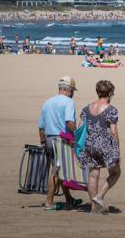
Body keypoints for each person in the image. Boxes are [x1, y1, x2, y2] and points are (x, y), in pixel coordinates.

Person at [37, 76, 80, 210]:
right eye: (73, 90)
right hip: (61, 140)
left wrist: (43, 142)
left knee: (60, 169)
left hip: (49, 138)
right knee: (56, 171)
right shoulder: (68, 102)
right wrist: (78, 135)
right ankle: (49, 202)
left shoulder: (47, 102)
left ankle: (69, 199)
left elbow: (41, 126)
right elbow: (69, 122)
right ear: (70, 90)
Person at [78, 80, 121, 214]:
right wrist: (117, 150)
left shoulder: (86, 109)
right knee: (116, 172)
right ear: (109, 94)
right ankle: (99, 197)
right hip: (104, 145)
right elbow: (113, 132)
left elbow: (80, 127)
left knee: (93, 174)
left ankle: (93, 207)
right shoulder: (111, 110)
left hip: (89, 145)